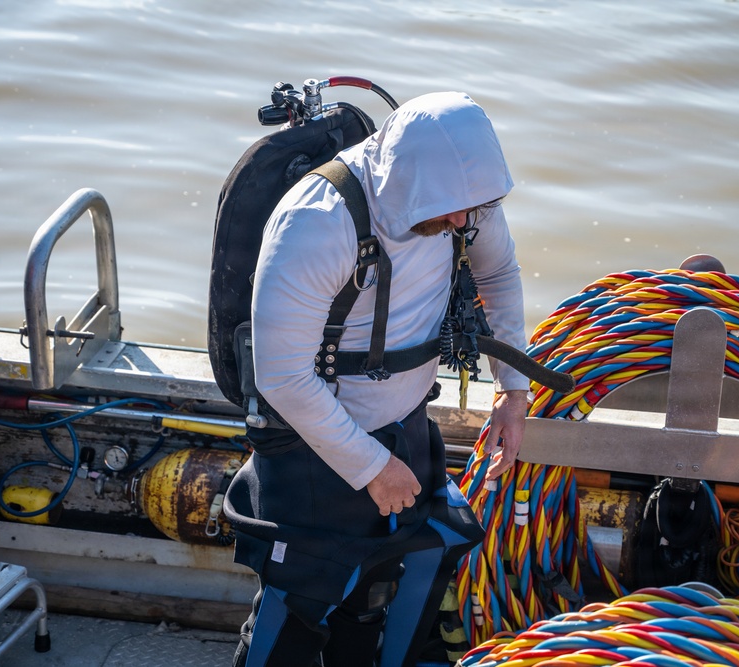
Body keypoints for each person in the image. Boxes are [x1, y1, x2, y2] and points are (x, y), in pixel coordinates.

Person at [224, 91, 530, 667]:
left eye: (474, 209)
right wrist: (371, 468)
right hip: (312, 445)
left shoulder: (463, 202)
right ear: (409, 183)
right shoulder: (315, 223)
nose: (463, 223)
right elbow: (282, 377)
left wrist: (512, 390)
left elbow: (499, 275)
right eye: (452, 210)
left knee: (371, 603)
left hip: (405, 427)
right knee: (297, 612)